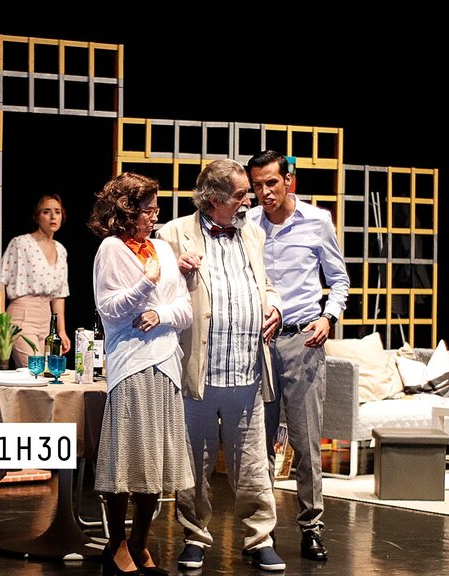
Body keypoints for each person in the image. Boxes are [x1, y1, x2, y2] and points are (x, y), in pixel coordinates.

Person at [156, 159, 286, 572]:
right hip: (199, 372)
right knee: (194, 464)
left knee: (253, 465)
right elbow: (154, 292)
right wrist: (175, 271)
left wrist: (275, 306)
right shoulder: (174, 233)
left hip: (246, 370)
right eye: (241, 194)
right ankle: (195, 537)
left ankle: (260, 537)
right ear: (214, 198)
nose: (250, 201)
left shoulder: (252, 232)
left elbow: (265, 284)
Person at [245, 150, 350, 562]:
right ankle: (262, 533)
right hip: (258, 342)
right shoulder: (247, 224)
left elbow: (339, 280)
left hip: (303, 340)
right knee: (259, 443)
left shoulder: (317, 221)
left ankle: (311, 527)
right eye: (257, 185)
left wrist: (328, 317)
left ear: (288, 181)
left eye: (271, 182)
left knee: (306, 443)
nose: (265, 192)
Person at [89, 172, 195, 576]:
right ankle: (116, 543)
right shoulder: (111, 249)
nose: (154, 216)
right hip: (131, 363)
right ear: (127, 211)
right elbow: (110, 308)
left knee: (157, 460)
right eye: (148, 209)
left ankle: (139, 541)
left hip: (166, 363)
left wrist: (159, 314)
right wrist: (144, 284)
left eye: (155, 209)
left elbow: (184, 310)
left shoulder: (163, 249)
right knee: (127, 459)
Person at [0, 194, 71, 366]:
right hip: (23, 314)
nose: (53, 216)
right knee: (34, 370)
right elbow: (1, 281)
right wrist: (0, 322)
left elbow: (59, 294)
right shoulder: (21, 243)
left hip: (46, 319)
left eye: (57, 212)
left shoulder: (61, 250)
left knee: (49, 372)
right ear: (37, 217)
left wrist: (61, 330)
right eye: (46, 212)